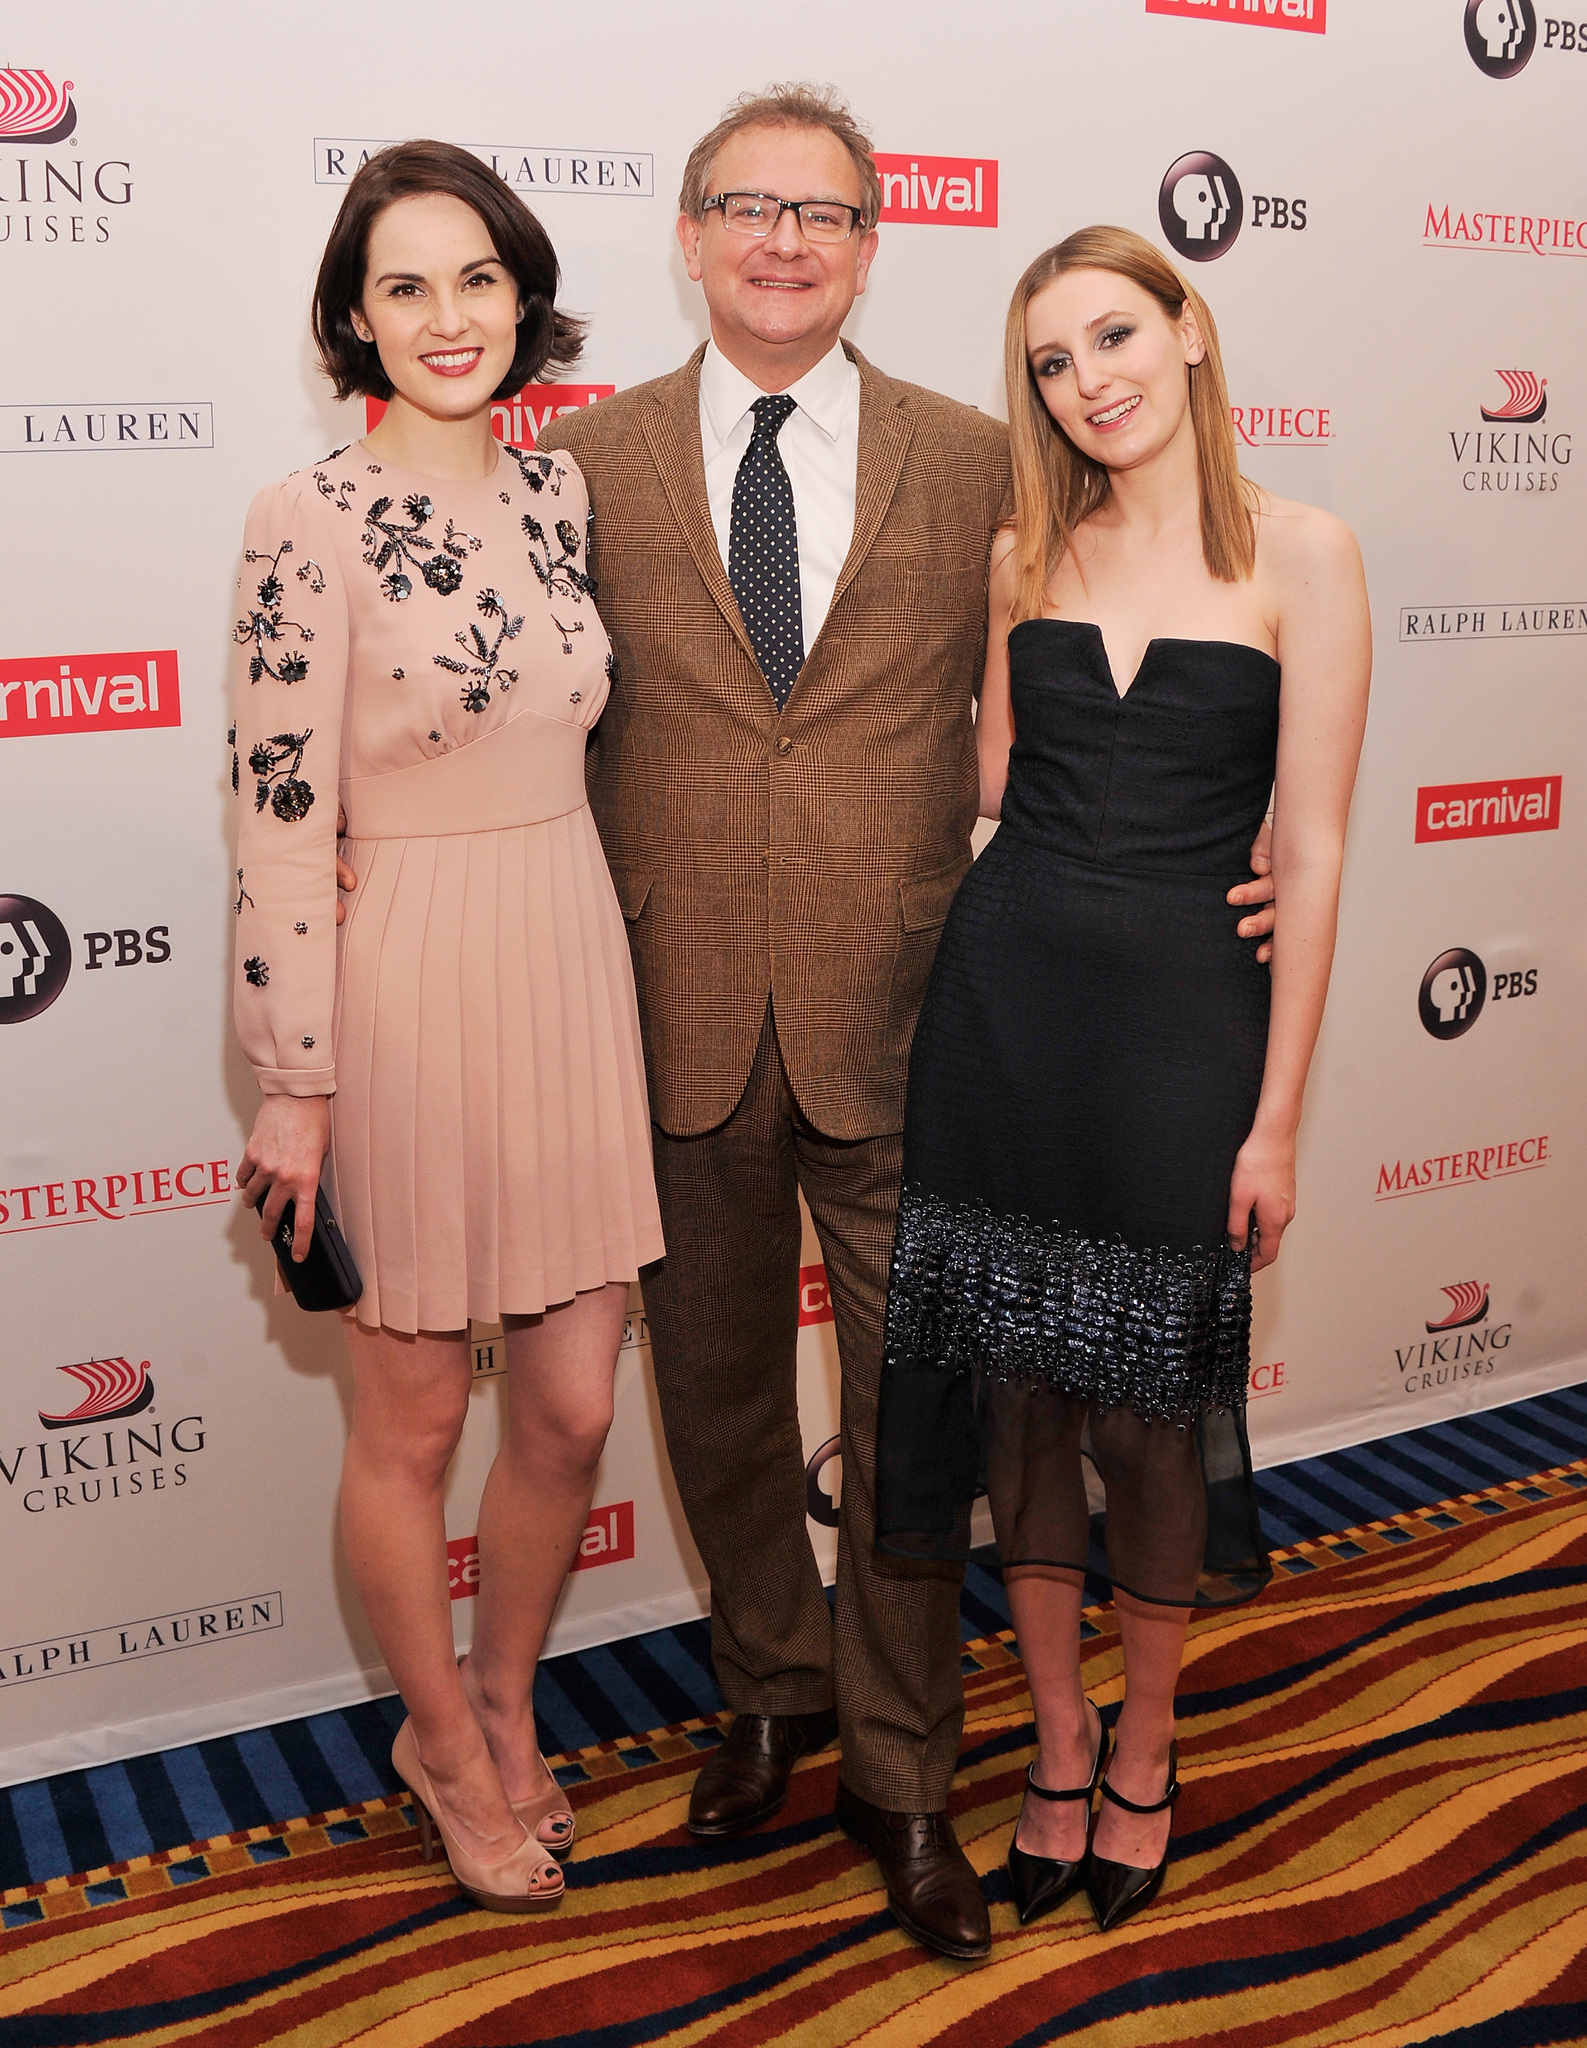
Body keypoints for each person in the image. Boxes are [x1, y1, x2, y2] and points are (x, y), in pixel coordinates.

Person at [875, 225, 1370, 1935]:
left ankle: (1150, 1738)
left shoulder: (1307, 553)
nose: (1092, 380)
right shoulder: (1022, 551)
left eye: (1115, 335)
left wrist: (1279, 1113)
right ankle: (1059, 1739)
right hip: (1006, 1010)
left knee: (1152, 1413)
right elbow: (992, 790)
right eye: (1054, 361)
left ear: (1193, 329)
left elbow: (1308, 850)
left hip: (1182, 1028)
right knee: (1019, 1396)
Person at [231, 140, 663, 1914]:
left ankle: (501, 1691)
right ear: (354, 315)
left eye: (475, 277)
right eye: (403, 285)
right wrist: (296, 1086)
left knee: (564, 1410)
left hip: (565, 956)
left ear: (523, 292)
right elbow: (273, 808)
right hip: (395, 980)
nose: (446, 316)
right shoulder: (303, 517)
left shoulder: (561, 497)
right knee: (409, 1429)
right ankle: (444, 1744)